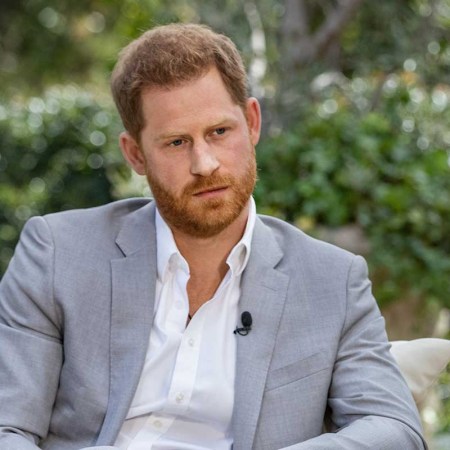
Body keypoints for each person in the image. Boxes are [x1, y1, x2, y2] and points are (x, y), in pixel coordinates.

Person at [0, 23, 426, 450]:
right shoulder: (57, 253)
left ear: (252, 123)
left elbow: (393, 427)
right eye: (177, 142)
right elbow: (8, 428)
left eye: (219, 132)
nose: (205, 163)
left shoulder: (333, 280)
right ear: (135, 154)